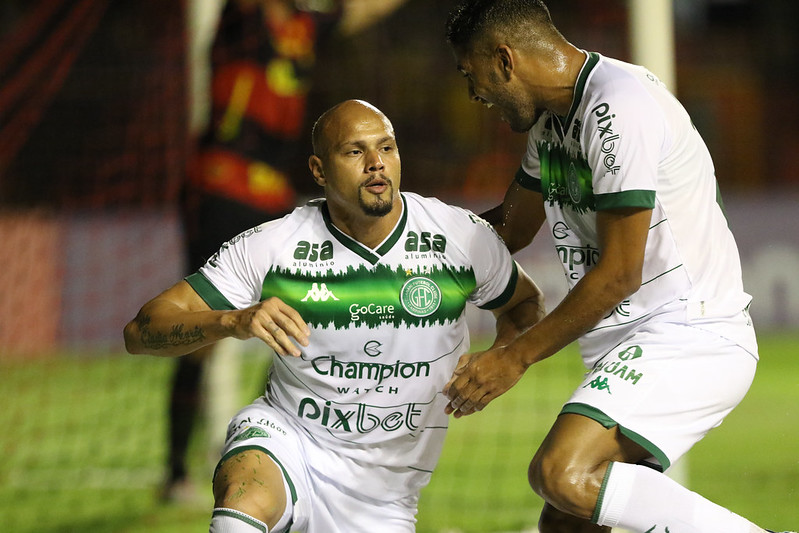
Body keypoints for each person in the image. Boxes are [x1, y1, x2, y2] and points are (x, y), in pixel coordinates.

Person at [441, 1, 795, 533]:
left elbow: (620, 273)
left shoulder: (618, 107)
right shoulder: (551, 126)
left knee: (563, 473)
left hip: (689, 335)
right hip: (632, 343)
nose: (474, 95)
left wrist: (514, 359)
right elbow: (509, 231)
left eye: (473, 75)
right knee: (567, 522)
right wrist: (407, 247)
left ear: (505, 60)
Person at [125, 99, 546, 532]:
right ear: (319, 169)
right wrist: (233, 321)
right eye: (354, 151)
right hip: (289, 440)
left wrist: (504, 358)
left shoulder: (457, 235)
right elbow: (141, 330)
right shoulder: (275, 246)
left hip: (385, 496)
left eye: (387, 148)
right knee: (241, 504)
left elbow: (525, 305)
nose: (376, 164)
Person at [166, 0, 408, 502]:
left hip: (272, 192)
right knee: (203, 329)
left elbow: (359, 13)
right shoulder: (243, 17)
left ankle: (273, 440)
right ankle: (175, 473)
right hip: (222, 182)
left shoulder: (303, 23)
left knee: (309, 318)